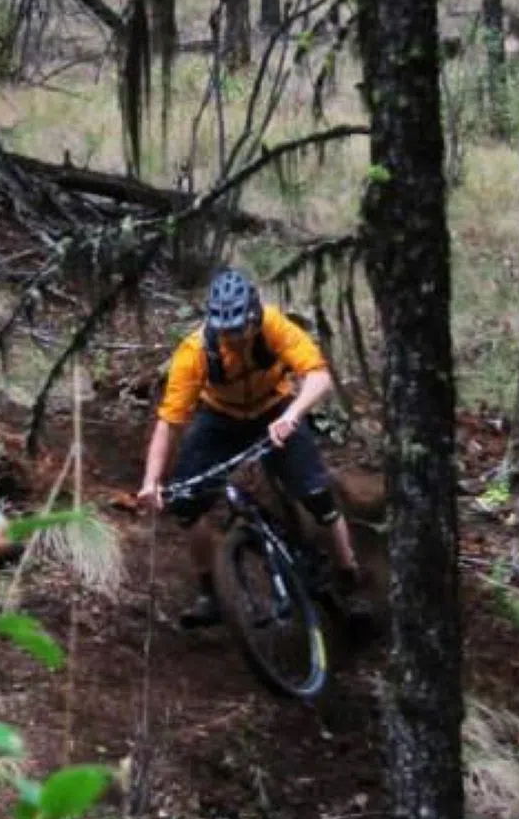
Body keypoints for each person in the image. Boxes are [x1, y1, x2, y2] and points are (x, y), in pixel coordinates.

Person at [136, 267, 362, 627]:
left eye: (240, 328)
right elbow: (170, 422)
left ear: (255, 317)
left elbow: (318, 376)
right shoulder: (194, 352)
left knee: (317, 494)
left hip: (275, 407)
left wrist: (292, 415)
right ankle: (211, 593)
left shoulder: (274, 326)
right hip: (220, 418)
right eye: (226, 331)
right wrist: (151, 480)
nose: (235, 338)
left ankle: (348, 571)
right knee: (186, 506)